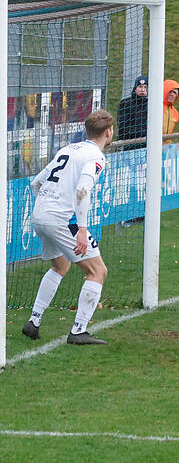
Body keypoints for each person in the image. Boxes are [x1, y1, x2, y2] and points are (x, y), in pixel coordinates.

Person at [22, 109, 114, 345]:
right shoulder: (95, 156)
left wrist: (45, 206)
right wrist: (81, 230)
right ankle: (78, 331)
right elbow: (83, 190)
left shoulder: (68, 149)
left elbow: (36, 182)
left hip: (40, 214)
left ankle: (34, 321)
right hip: (61, 219)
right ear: (108, 132)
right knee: (97, 271)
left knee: (60, 266)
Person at [117, 75, 148, 148]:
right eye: (140, 86)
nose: (142, 90)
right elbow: (123, 125)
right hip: (128, 144)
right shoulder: (125, 103)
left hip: (146, 145)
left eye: (145, 87)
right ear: (135, 88)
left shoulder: (150, 105)